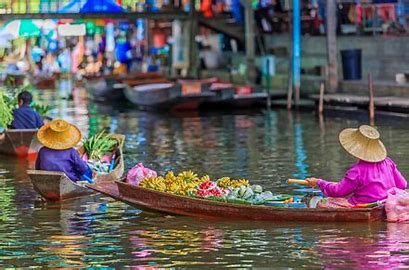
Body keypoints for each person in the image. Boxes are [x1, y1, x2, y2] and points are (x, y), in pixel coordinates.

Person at [306, 125, 407, 208]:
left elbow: (338, 191)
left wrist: (319, 182)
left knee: (322, 203)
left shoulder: (356, 171)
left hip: (364, 206)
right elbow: (402, 184)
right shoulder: (388, 162)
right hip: (385, 204)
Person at [35, 119, 94, 183]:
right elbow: (83, 169)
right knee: (86, 170)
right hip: (70, 180)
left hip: (47, 180)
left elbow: (38, 168)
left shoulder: (42, 150)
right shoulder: (71, 152)